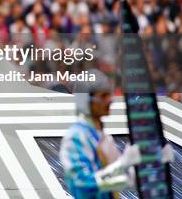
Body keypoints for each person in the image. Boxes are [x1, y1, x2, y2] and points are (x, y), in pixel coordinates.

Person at [59, 69, 174, 198]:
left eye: (109, 94)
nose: (110, 100)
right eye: (103, 96)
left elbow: (123, 180)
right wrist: (123, 163)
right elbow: (82, 185)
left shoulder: (104, 138)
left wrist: (155, 161)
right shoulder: (76, 137)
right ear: (85, 100)